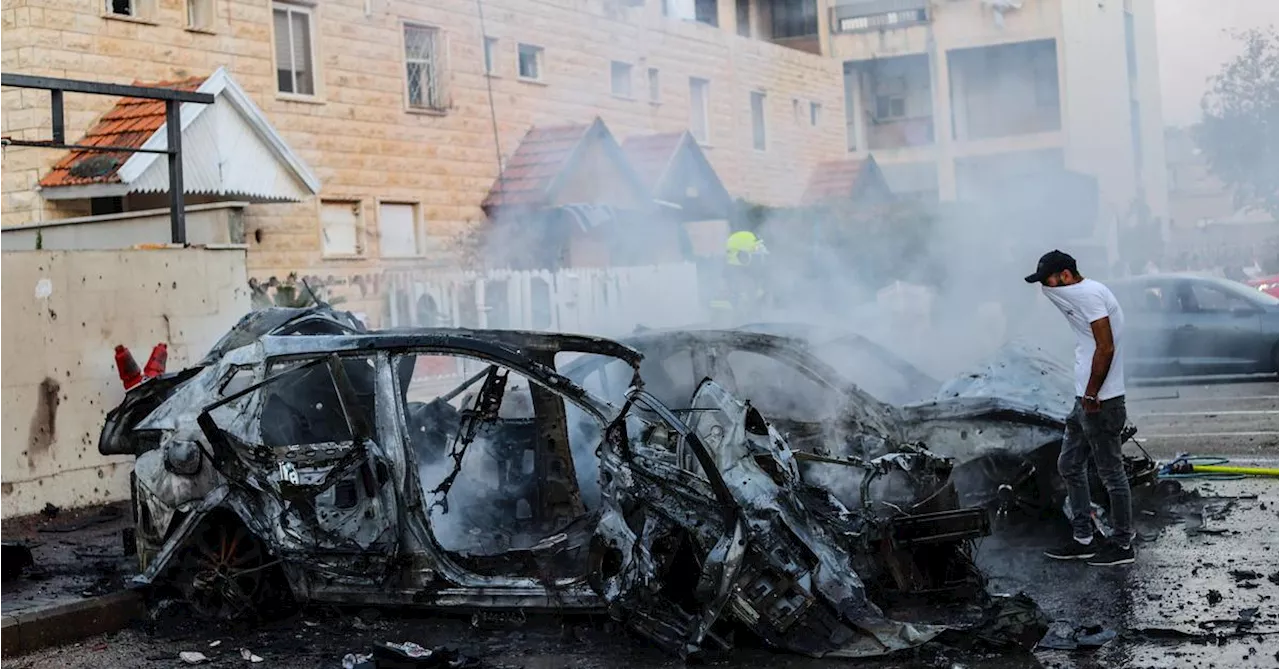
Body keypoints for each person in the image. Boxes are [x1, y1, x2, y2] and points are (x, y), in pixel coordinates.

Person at [1023, 250, 1135, 567]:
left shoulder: (1089, 296)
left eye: (1050, 281)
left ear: (1067, 276)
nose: (1047, 288)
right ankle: (1084, 538)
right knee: (1069, 464)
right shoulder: (1076, 292)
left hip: (1101, 400)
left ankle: (1123, 543)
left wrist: (1091, 392)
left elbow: (1106, 346)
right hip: (1082, 401)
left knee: (1112, 474)